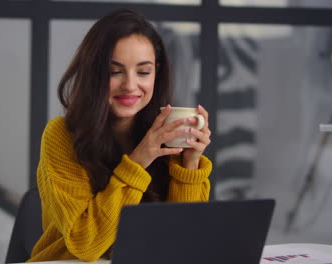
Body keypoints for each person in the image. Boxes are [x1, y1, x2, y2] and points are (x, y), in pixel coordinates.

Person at [28, 8, 212, 263]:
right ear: (93, 73)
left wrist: (189, 165)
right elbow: (86, 245)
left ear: (157, 74)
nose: (130, 85)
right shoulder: (61, 135)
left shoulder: (166, 135)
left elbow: (183, 242)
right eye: (115, 71)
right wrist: (138, 162)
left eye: (143, 72)